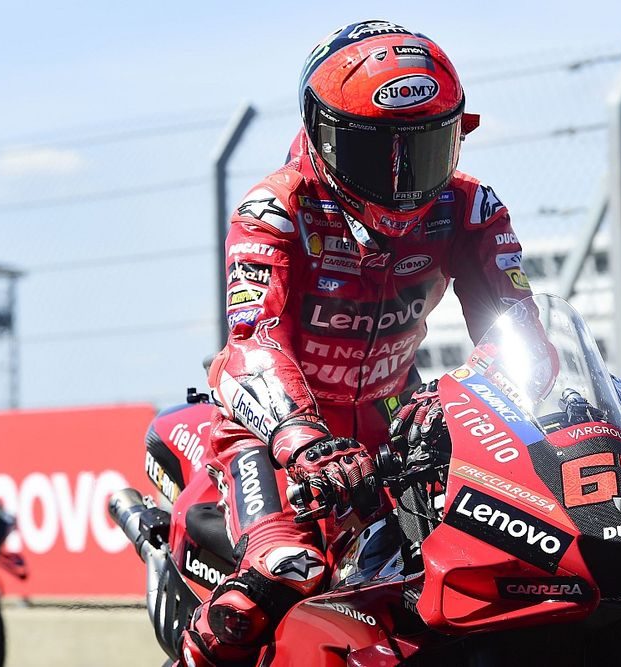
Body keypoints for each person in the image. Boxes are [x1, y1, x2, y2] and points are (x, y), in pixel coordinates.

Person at [181, 19, 532, 666]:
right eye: (375, 154)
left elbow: (518, 331)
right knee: (282, 569)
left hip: (390, 429)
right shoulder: (275, 209)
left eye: (422, 150)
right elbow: (252, 341)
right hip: (270, 439)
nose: (401, 180)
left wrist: (469, 399)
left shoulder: (471, 207)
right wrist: (301, 439)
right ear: (320, 135)